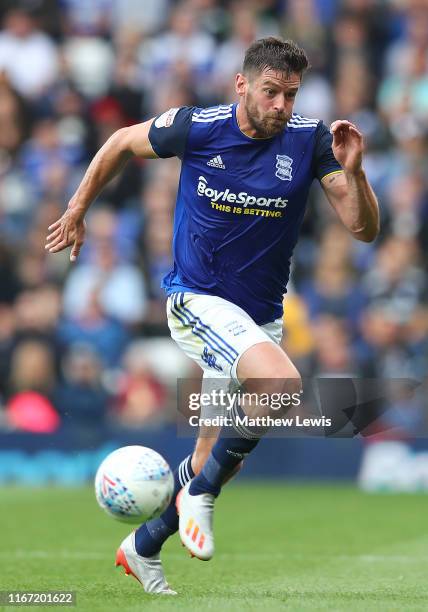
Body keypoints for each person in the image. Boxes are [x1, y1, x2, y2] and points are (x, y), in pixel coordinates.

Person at [45, 37, 379, 595]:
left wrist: (358, 172)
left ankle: (143, 547)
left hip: (256, 320)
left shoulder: (311, 140)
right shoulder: (199, 127)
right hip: (196, 301)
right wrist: (77, 209)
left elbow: (364, 229)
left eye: (290, 95)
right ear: (242, 85)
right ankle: (200, 498)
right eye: (271, 92)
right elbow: (122, 141)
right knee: (280, 383)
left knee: (216, 458)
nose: (281, 106)